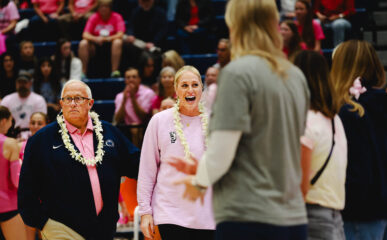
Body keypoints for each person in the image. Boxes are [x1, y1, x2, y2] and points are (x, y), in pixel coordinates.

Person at [171, 0, 310, 239]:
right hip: (294, 218)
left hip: (248, 218)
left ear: (235, 25)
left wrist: (199, 182)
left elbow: (221, 153)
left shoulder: (236, 74)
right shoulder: (295, 75)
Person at [18, 80, 141, 240]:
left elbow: (137, 164)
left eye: (78, 98)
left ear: (90, 103)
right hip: (61, 229)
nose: (72, 104)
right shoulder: (42, 140)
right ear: (61, 104)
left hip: (104, 230)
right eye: (68, 99)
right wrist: (43, 223)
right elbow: (26, 191)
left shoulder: (109, 133)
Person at [331, 40, 387, 240]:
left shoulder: (350, 110)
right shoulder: (384, 106)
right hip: (386, 208)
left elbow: (355, 167)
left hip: (359, 213)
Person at [138, 65, 215, 240]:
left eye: (195, 85)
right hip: (169, 213)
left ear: (202, 88)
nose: (190, 90)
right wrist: (145, 212)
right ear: (175, 89)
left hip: (209, 215)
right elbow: (147, 170)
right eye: (184, 85)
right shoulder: (159, 121)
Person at [294, 50, 347, 240]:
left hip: (311, 217)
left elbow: (300, 185)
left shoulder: (305, 121)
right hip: (335, 215)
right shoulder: (334, 119)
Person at [18, 112, 48, 240]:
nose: (35, 126)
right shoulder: (20, 145)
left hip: (47, 197)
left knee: (45, 234)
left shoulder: (51, 146)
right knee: (28, 235)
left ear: (46, 124)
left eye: (39, 123)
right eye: (33, 122)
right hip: (28, 197)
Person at [78, 0, 125, 77]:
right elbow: (85, 34)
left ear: (110, 8)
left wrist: (107, 39)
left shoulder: (117, 17)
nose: (103, 9)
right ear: (98, 8)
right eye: (101, 7)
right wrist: (95, 39)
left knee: (117, 42)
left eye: (106, 7)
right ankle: (83, 73)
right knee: (83, 43)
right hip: (95, 45)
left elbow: (120, 34)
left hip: (111, 44)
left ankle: (114, 71)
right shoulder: (94, 17)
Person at [0, 106, 27, 240]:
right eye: (11, 120)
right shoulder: (10, 144)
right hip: (7, 205)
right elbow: (17, 182)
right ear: (4, 121)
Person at [114, 68, 156, 146]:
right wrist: (124, 100)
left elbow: (144, 117)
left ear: (139, 79)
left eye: (134, 77)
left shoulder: (148, 93)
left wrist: (133, 98)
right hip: (126, 129)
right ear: (125, 80)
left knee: (135, 128)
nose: (131, 80)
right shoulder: (120, 96)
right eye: (128, 77)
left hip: (145, 127)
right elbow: (118, 119)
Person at [1, 73, 47, 139]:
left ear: (30, 83)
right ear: (16, 83)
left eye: (24, 83)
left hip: (33, 134)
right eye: (20, 83)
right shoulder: (7, 99)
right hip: (10, 135)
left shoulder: (39, 100)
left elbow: (42, 123)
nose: (22, 85)